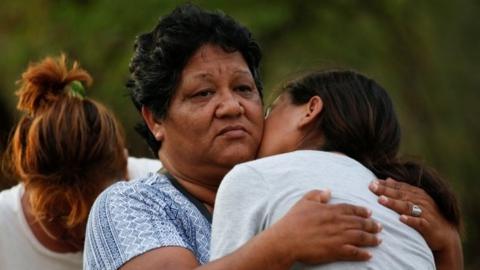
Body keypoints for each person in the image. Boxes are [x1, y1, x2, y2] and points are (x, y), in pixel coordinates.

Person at [84, 4, 461, 270]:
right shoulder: (132, 205)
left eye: (244, 89)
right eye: (203, 94)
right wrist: (279, 246)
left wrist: (445, 245)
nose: (231, 107)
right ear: (155, 120)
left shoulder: (317, 188)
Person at [210, 70, 463, 269]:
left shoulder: (255, 176)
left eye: (270, 111)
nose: (261, 125)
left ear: (310, 110)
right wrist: (451, 247)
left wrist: (277, 246)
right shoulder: (404, 217)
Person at [0, 55, 161, 270]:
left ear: (125, 167)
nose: (83, 234)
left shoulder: (163, 193)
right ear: (27, 183)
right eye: (60, 219)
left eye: (97, 215)